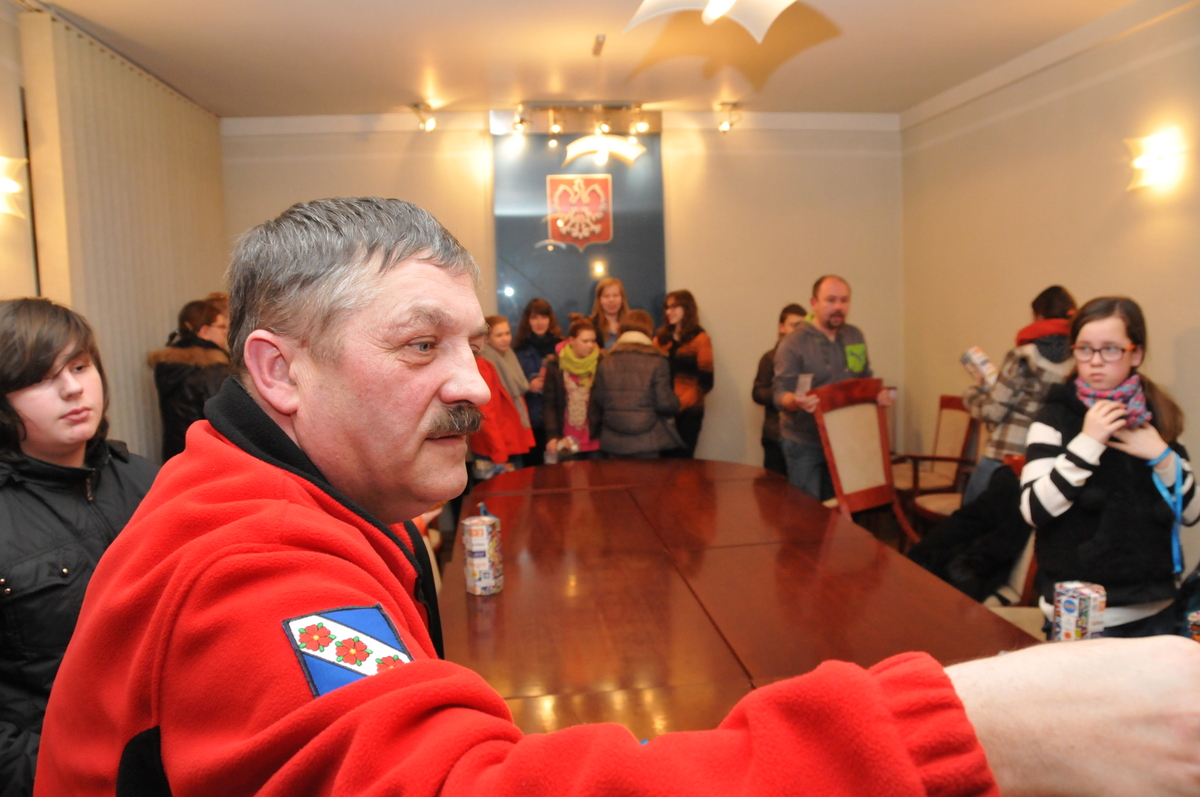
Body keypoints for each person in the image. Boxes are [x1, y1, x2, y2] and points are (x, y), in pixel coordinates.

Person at [34, 198, 1200, 797]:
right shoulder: (248, 562)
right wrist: (972, 731)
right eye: (420, 344)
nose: (474, 382)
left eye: (475, 341)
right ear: (279, 371)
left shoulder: (270, 493)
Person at [0, 298, 157, 796]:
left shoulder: (151, 480)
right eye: (41, 379)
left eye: (80, 366)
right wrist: (51, 776)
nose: (72, 388)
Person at [1021, 296, 1199, 638]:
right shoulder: (1054, 416)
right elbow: (1033, 510)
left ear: (1136, 353)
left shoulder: (1156, 416)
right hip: (1080, 612)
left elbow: (1192, 512)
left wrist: (1163, 457)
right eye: (1084, 349)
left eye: (1111, 349)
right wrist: (1088, 442)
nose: (1095, 361)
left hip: (1155, 607)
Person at [773, 275, 891, 500]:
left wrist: (878, 393)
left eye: (844, 300)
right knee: (807, 512)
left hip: (846, 441)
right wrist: (795, 401)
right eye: (831, 300)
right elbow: (779, 394)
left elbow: (864, 378)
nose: (838, 306)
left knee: (840, 511)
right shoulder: (793, 343)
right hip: (805, 443)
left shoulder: (855, 335)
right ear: (814, 303)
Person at [960, 285, 1076, 504]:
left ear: (1039, 317)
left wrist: (972, 393)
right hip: (1045, 460)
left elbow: (992, 411)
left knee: (969, 517)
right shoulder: (1078, 361)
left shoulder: (1023, 356)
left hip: (1005, 454)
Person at [588, 310, 683, 459]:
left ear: (621, 330)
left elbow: (598, 401)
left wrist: (594, 431)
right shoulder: (658, 361)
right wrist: (677, 402)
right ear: (648, 330)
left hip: (613, 440)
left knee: (616, 475)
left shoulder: (606, 361)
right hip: (648, 440)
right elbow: (664, 404)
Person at [147, 296, 232, 461]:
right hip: (209, 457)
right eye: (221, 326)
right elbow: (224, 421)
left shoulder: (167, 366)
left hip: (176, 455)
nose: (226, 332)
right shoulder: (213, 369)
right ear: (204, 331)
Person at [654, 290, 713, 459]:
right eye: (667, 307)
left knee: (684, 465)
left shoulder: (700, 339)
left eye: (674, 307)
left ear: (687, 308)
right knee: (662, 465)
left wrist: (679, 405)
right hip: (663, 414)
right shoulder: (660, 339)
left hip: (689, 414)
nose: (669, 312)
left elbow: (706, 382)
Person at [753, 303, 806, 475]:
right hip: (776, 435)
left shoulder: (811, 359)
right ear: (781, 327)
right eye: (794, 326)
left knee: (802, 488)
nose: (799, 331)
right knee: (774, 488)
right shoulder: (769, 358)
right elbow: (757, 393)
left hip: (805, 438)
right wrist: (784, 396)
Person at [543, 317, 601, 460]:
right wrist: (552, 435)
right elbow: (549, 404)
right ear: (572, 340)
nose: (590, 345)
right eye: (585, 341)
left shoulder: (601, 364)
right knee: (568, 473)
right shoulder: (556, 366)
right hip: (566, 438)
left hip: (595, 438)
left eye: (592, 341)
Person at [479, 315, 534, 464]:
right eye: (499, 335)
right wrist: (498, 450)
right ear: (487, 339)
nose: (505, 339)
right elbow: (486, 412)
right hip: (495, 443)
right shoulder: (483, 363)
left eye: (507, 333)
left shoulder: (509, 356)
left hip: (511, 435)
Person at [513, 298, 560, 466]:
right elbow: (511, 385)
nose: (539, 322)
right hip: (530, 418)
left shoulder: (561, 346)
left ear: (550, 319)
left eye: (543, 317)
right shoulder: (519, 349)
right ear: (527, 321)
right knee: (533, 471)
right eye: (534, 318)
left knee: (559, 473)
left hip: (557, 417)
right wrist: (528, 386)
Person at [588, 276, 629, 349]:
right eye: (606, 296)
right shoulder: (590, 325)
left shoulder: (632, 324)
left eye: (615, 295)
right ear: (599, 300)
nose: (611, 300)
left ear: (622, 298)